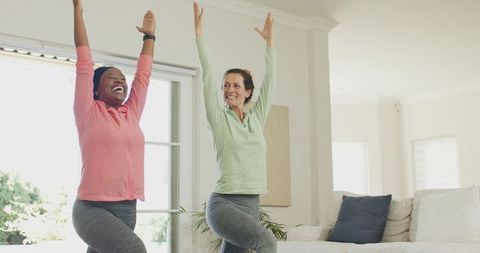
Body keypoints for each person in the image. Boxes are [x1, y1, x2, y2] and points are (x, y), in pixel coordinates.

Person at [71, 0, 155, 252]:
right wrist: (78, 13)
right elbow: (84, 61)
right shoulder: (87, 111)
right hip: (92, 209)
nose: (121, 81)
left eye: (122, 78)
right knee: (134, 249)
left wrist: (150, 36)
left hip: (128, 208)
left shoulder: (131, 113)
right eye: (112, 78)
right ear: (96, 88)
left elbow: (143, 76)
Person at [193, 2, 277, 253]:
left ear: (248, 91)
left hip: (251, 203)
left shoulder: (256, 118)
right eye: (226, 85)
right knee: (267, 243)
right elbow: (208, 75)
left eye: (236, 85)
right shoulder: (219, 120)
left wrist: (269, 44)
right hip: (223, 205)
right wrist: (199, 37)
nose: (229, 90)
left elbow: (271, 81)